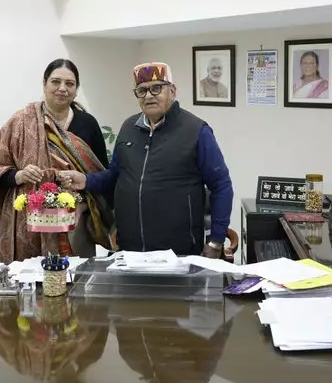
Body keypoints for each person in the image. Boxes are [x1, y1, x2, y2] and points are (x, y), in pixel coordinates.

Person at [60, 62, 233, 258]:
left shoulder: (196, 131)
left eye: (156, 88)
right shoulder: (128, 127)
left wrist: (216, 240)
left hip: (179, 252)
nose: (149, 95)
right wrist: (86, 181)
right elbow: (116, 175)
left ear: (172, 91)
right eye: (142, 90)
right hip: (130, 249)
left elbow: (221, 185)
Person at [0, 59, 113, 262]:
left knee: (75, 277)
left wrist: (82, 206)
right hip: (27, 223)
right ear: (44, 84)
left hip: (75, 221)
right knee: (29, 276)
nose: (62, 88)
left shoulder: (87, 123)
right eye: (56, 82)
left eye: (70, 84)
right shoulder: (21, 122)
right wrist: (19, 176)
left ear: (76, 90)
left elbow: (102, 175)